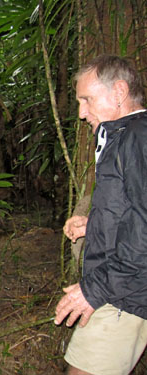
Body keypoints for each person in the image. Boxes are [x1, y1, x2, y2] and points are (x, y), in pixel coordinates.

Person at [55, 55, 147, 375]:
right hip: (124, 287)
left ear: (119, 92)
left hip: (123, 292)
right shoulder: (124, 134)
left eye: (87, 100)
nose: (82, 113)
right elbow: (134, 212)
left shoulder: (137, 137)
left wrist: (95, 289)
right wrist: (94, 225)